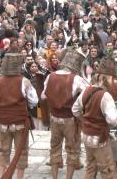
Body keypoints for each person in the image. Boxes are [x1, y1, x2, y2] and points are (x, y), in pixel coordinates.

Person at [0, 53, 38, 179]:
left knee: (3, 151)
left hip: (4, 122)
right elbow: (34, 101)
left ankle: (2, 176)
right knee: (22, 151)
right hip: (20, 122)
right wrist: (26, 105)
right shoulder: (24, 81)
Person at [41, 49, 88, 179]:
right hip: (70, 120)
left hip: (54, 117)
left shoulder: (51, 76)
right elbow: (87, 95)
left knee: (55, 148)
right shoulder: (77, 79)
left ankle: (55, 177)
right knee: (72, 150)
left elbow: (43, 96)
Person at [72, 72, 117, 179]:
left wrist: (85, 122)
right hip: (100, 138)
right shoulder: (105, 95)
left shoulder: (86, 91)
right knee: (107, 170)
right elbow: (112, 120)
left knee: (91, 168)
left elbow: (75, 110)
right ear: (105, 80)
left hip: (86, 136)